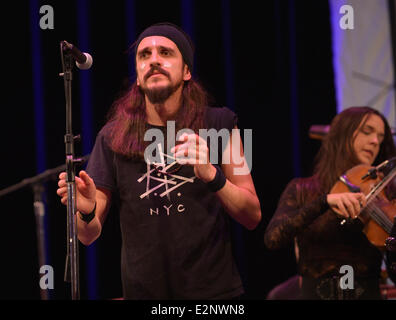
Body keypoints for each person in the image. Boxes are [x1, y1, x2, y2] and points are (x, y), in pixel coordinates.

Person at [56, 22, 261, 299]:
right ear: (138, 77)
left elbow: (252, 215)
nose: (154, 60)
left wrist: (213, 176)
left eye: (165, 52)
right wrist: (87, 210)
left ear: (186, 71)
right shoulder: (111, 136)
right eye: (145, 55)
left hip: (214, 298)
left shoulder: (222, 122)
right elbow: (87, 235)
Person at [264, 106, 396, 300]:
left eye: (380, 137)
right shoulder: (303, 189)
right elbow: (273, 238)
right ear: (343, 133)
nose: (375, 141)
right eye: (367, 132)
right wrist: (323, 202)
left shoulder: (386, 195)